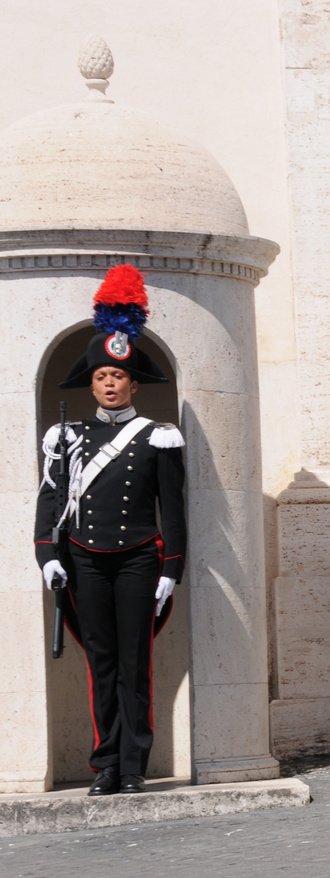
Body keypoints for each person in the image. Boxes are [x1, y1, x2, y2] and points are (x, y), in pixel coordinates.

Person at [36, 265, 186, 795]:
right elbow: (52, 500)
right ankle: (105, 765)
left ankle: (133, 766)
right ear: (92, 384)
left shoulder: (159, 437)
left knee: (134, 663)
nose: (109, 384)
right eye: (101, 377)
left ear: (132, 383)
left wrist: (172, 567)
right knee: (100, 663)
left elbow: (174, 506)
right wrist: (48, 556)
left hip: (141, 558)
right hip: (85, 559)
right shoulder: (67, 436)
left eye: (118, 376)